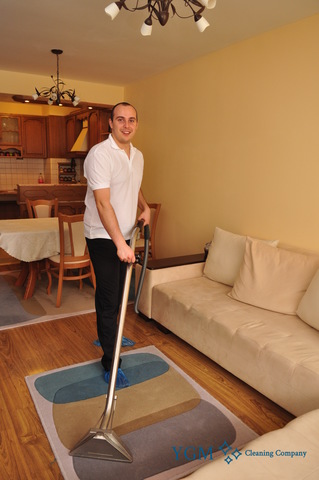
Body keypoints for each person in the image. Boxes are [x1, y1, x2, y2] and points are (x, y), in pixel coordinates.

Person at [84, 102, 150, 387]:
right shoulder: (100, 155)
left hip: (125, 235)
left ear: (136, 124)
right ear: (110, 123)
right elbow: (102, 201)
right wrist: (119, 244)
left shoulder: (138, 156)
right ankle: (111, 362)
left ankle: (109, 333)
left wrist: (145, 207)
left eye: (132, 120)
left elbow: (133, 185)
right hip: (102, 236)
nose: (127, 124)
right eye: (120, 119)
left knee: (124, 293)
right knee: (110, 298)